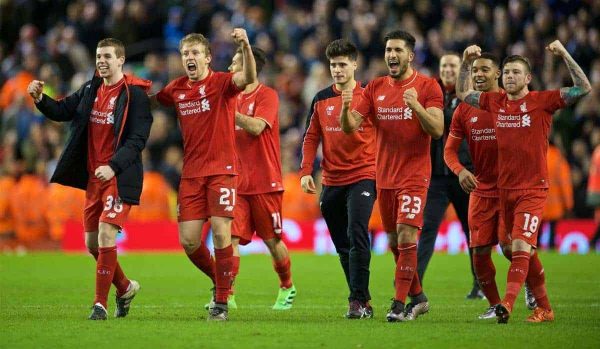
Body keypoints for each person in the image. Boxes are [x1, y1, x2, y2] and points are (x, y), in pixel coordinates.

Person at [456, 41, 591, 323]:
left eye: (515, 72)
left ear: (527, 77)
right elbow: (462, 92)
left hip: (533, 188)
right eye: (506, 73)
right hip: (505, 190)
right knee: (517, 248)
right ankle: (545, 308)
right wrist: (466, 63)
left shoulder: (543, 101)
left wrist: (565, 53)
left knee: (519, 246)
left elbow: (583, 87)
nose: (509, 77)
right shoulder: (496, 102)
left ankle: (507, 303)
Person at [27, 38, 153, 320]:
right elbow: (63, 110)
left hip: (118, 177)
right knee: (93, 243)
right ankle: (125, 287)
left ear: (120, 60)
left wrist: (114, 167)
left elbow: (137, 140)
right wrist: (40, 99)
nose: (102, 61)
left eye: (108, 56)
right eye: (98, 56)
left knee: (108, 233)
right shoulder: (91, 88)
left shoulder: (135, 95)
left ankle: (100, 304)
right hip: (95, 179)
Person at [340, 30, 444, 322]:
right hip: (384, 178)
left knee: (407, 235)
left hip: (414, 175)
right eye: (388, 50)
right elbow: (350, 127)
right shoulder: (375, 87)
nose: (391, 55)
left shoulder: (428, 87)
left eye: (397, 50)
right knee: (395, 242)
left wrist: (416, 106)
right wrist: (347, 107)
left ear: (410, 55)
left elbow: (437, 130)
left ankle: (398, 305)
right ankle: (419, 298)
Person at [153, 30, 256, 321]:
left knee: (222, 233)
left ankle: (221, 303)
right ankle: (221, 280)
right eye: (185, 54)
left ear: (208, 57)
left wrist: (246, 46)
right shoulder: (176, 89)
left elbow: (247, 77)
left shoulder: (222, 83)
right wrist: (125, 90)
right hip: (191, 175)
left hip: (222, 171)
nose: (190, 58)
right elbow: (153, 101)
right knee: (188, 241)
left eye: (195, 53)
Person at [445, 52, 537, 320]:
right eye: (475, 70)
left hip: (512, 189)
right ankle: (495, 305)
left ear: (498, 73)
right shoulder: (465, 109)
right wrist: (460, 170)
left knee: (510, 247)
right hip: (481, 190)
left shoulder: (510, 103)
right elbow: (449, 151)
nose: (479, 75)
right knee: (479, 253)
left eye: (485, 69)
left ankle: (531, 284)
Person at [300, 39, 376, 319]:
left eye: (343, 64)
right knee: (342, 243)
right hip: (332, 179)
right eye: (333, 65)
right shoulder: (320, 98)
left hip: (364, 174)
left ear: (355, 65)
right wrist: (306, 171)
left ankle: (355, 300)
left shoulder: (368, 96)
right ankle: (363, 299)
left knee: (357, 233)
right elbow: (311, 136)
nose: (337, 69)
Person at [228, 46, 296, 310]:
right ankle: (227, 294)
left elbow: (256, 127)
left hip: (265, 182)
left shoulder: (267, 95)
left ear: (250, 67)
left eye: (235, 63)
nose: (230, 68)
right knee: (229, 239)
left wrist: (229, 114)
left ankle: (287, 285)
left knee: (272, 241)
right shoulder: (229, 96)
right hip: (236, 182)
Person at [417, 53, 480, 299]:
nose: (448, 69)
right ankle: (415, 282)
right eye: (444, 65)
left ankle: (480, 285)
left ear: (461, 69)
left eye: (453, 65)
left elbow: (451, 123)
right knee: (426, 230)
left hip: (463, 174)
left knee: (473, 232)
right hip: (436, 177)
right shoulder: (431, 92)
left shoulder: (470, 97)